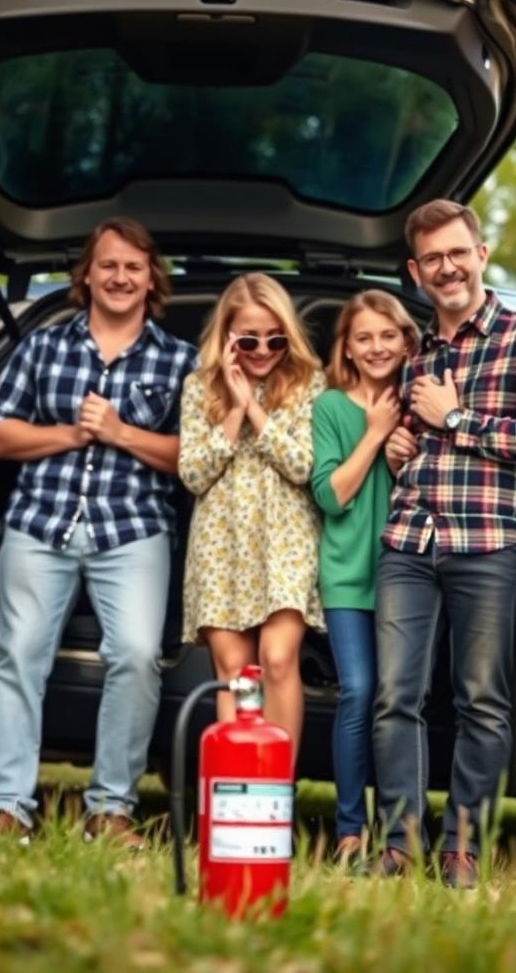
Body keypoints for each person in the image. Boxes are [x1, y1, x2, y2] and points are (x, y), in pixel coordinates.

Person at [0, 217, 196, 846]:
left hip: (133, 530)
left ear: (151, 278)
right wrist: (73, 433)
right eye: (108, 265)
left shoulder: (180, 361)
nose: (120, 277)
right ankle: (9, 806)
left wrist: (121, 432)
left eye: (133, 267)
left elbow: (194, 459)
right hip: (39, 523)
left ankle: (110, 810)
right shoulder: (44, 347)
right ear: (88, 275)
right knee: (19, 655)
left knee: (136, 655)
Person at [372, 199, 516, 887]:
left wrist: (455, 416)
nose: (447, 267)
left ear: (481, 254)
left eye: (458, 252)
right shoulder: (417, 355)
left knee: (480, 700)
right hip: (409, 540)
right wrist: (400, 449)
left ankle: (463, 849)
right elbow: (417, 440)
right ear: (415, 271)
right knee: (395, 697)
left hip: (490, 542)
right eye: (432, 258)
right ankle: (400, 844)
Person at [178, 272, 325, 759]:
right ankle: (238, 787)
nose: (263, 350)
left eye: (275, 339)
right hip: (221, 543)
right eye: (249, 339)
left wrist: (256, 412)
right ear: (227, 336)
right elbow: (193, 474)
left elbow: (303, 466)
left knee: (278, 660)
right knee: (234, 673)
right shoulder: (199, 387)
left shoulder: (308, 383)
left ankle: (277, 787)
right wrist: (234, 410)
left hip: (285, 539)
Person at [310, 290, 419, 861]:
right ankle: (350, 829)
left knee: (397, 698)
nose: (377, 347)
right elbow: (331, 495)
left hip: (410, 576)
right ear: (347, 349)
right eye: (364, 338)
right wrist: (375, 433)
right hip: (348, 576)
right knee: (357, 691)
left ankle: (398, 831)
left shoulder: (422, 401)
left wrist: (402, 457)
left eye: (387, 335)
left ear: (406, 342)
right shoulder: (331, 408)